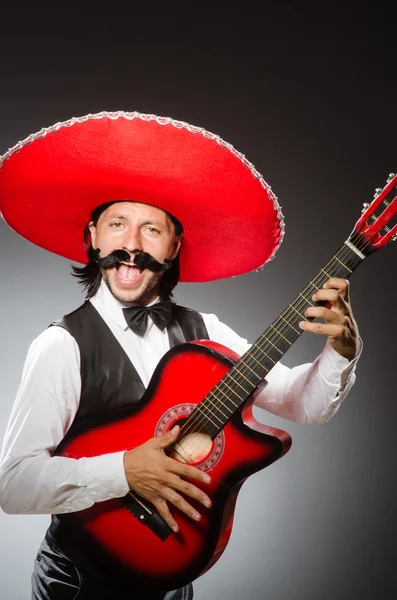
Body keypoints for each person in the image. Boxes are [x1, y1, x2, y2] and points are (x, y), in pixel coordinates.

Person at [0, 111, 361, 600]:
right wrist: (124, 470)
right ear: (92, 237)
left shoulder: (205, 331)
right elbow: (13, 484)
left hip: (173, 579)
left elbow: (304, 405)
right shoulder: (61, 345)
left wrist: (342, 351)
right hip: (80, 584)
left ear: (174, 247)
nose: (130, 246)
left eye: (151, 230)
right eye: (118, 224)